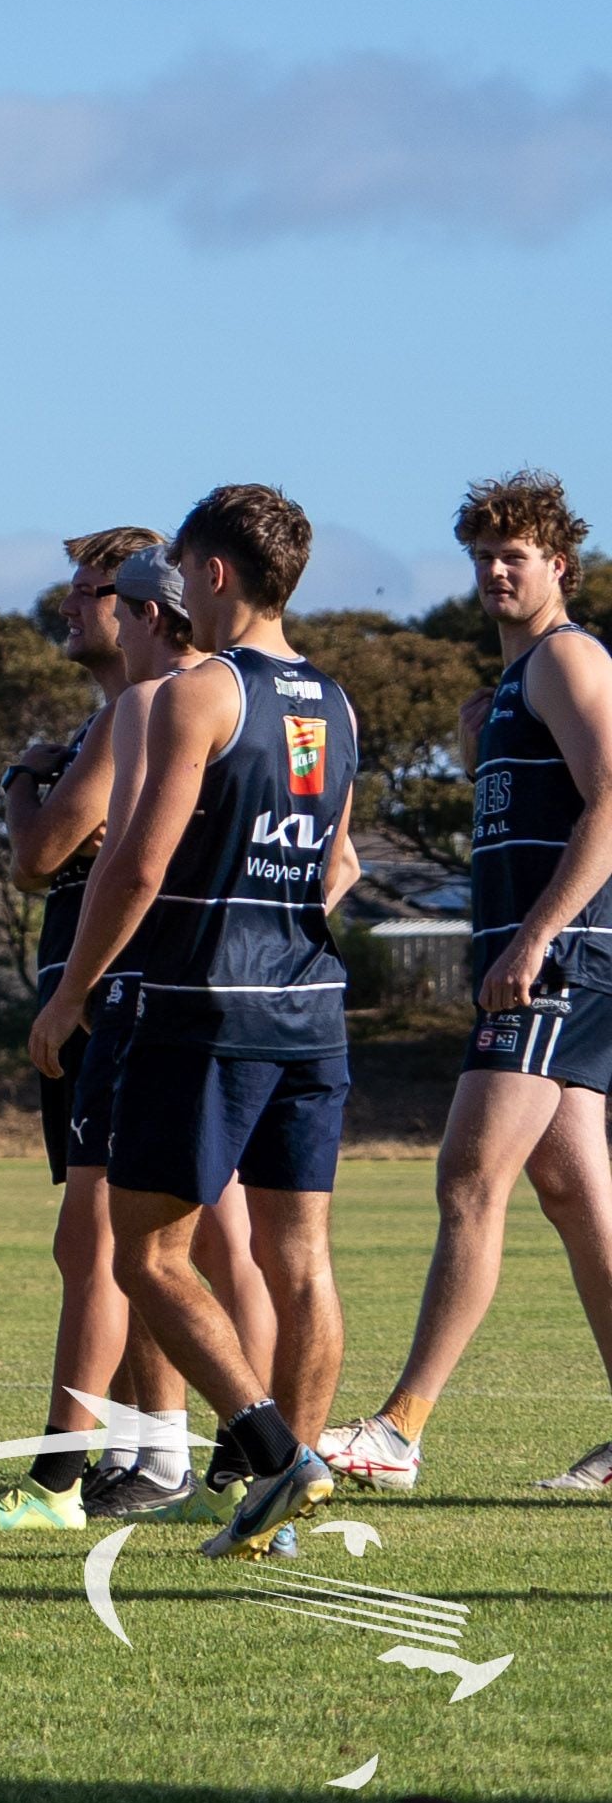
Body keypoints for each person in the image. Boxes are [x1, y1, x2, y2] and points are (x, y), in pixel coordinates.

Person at [32, 480, 368, 1555]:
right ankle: (279, 1512)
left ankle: (278, 1457)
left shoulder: (200, 695)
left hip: (202, 1009)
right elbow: (334, 863)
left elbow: (133, 865)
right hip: (311, 1010)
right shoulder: (337, 701)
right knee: (300, 1258)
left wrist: (72, 991)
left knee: (146, 1254)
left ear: (213, 572)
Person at [338, 471, 612, 1492]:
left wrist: (536, 936)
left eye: (517, 554)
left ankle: (401, 1426)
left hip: (561, 961)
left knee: (467, 1175)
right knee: (573, 1188)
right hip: (558, 960)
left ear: (560, 567)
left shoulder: (566, 660)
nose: (497, 570)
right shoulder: (505, 690)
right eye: (483, 555)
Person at [0, 534, 217, 1532]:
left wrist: (24, 779)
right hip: (115, 999)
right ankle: (157, 1451)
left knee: (100, 1238)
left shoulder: (135, 713)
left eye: (94, 592)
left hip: (113, 1003)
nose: (73, 608)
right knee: (131, 1239)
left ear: (149, 601)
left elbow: (38, 852)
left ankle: (78, 1470)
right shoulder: (128, 712)